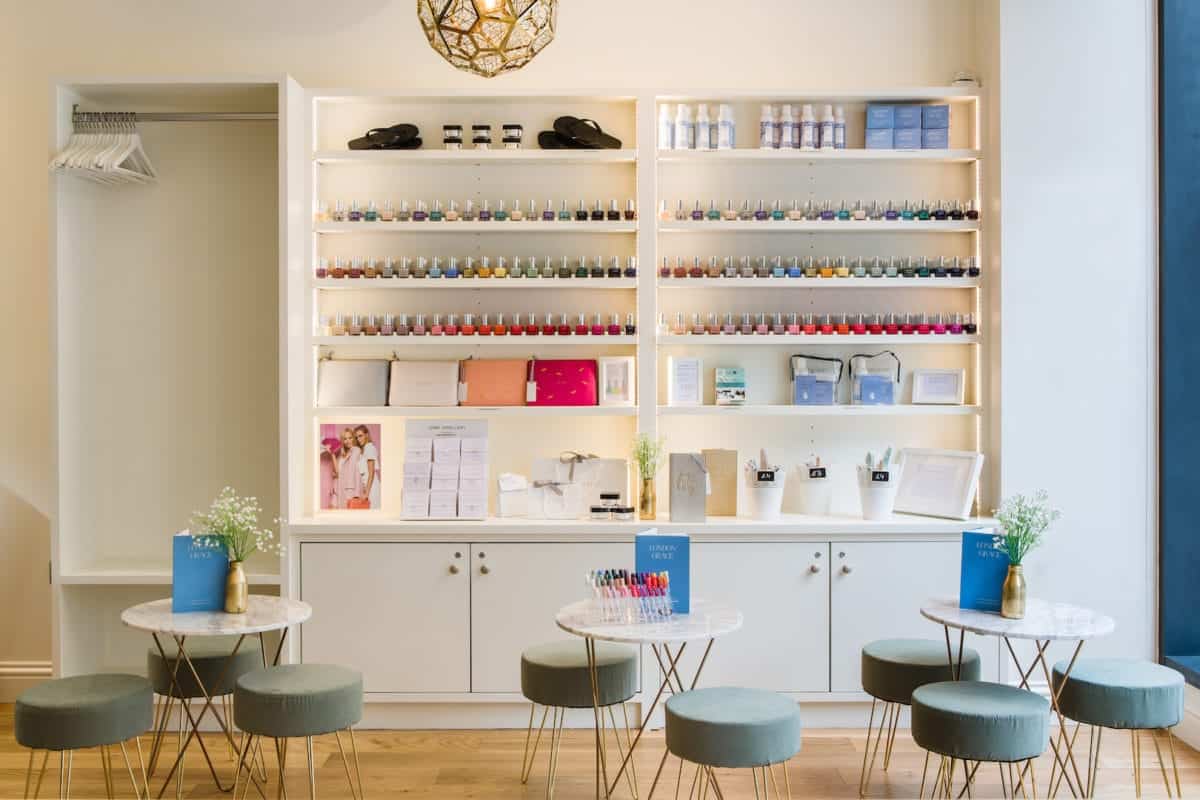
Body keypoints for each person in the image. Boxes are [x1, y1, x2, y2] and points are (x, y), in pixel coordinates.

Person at [330, 427, 361, 509]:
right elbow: (337, 471)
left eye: (350, 438)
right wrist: (332, 454)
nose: (348, 441)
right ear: (342, 441)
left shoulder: (356, 450)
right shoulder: (342, 455)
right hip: (339, 487)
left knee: (346, 512)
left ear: (353, 438)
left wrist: (356, 494)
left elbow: (353, 470)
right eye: (345, 439)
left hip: (349, 489)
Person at [354, 425, 381, 509]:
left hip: (372, 487)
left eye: (360, 436)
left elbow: (371, 472)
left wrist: (367, 493)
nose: (358, 439)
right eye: (357, 437)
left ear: (366, 435)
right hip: (367, 486)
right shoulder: (364, 450)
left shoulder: (369, 448)